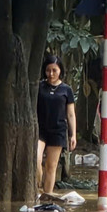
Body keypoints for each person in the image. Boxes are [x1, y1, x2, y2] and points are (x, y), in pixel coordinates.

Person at [36, 54, 76, 196]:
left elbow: (70, 114)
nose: (51, 74)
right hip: (40, 130)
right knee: (37, 160)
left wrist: (73, 135)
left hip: (58, 131)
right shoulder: (39, 87)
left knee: (51, 167)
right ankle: (36, 189)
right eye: (48, 70)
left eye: (54, 70)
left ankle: (47, 195)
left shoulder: (66, 90)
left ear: (60, 71)